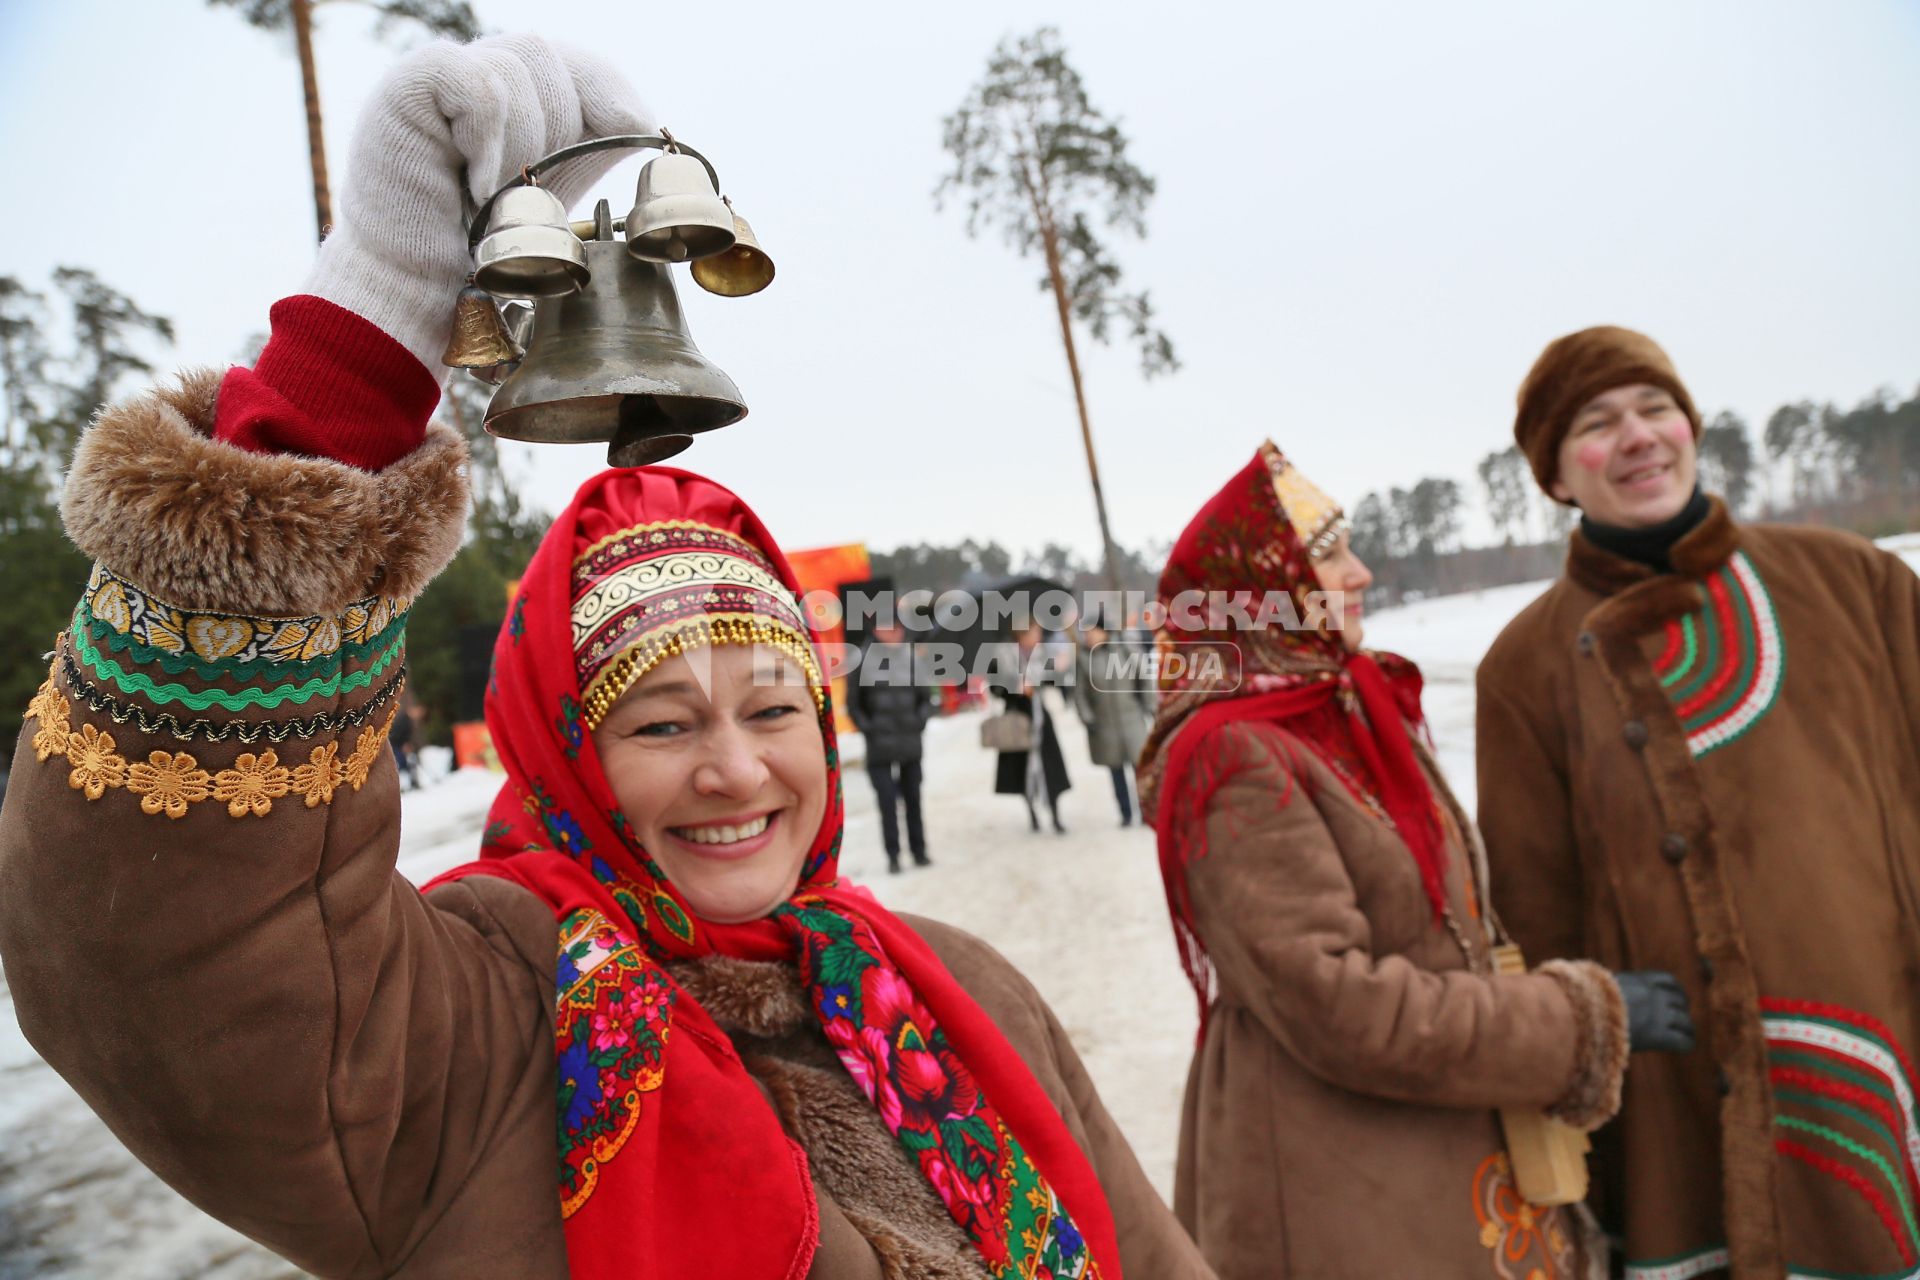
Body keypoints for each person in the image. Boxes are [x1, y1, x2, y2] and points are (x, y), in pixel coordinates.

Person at [0, 36, 1216, 1280]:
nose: (738, 771)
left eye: (773, 708)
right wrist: (369, 325)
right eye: (662, 723)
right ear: (563, 750)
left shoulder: (962, 989)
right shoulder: (477, 1038)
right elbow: (165, 953)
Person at [1138, 441, 1694, 1280]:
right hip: (1347, 1182)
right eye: (1327, 557)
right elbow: (1342, 1010)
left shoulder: (1343, 710)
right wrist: (1577, 1019)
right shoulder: (1238, 758)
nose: (1360, 573)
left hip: (1441, 1140)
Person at [1477, 326, 1920, 1280]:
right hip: (1678, 1101)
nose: (1638, 437)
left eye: (1655, 409)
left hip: (1884, 1053)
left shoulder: (1858, 584)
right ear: (1556, 476)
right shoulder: (1523, 668)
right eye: (1597, 424)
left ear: (1691, 427)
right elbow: (1535, 904)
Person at [844, 621, 935, 873]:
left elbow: (925, 698)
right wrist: (869, 729)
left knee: (913, 799)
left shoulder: (912, 659)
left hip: (910, 742)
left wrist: (919, 721)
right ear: (875, 630)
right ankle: (893, 855)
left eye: (898, 627)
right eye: (889, 627)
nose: (895, 632)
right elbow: (853, 704)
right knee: (886, 803)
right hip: (879, 746)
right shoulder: (862, 661)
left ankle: (919, 851)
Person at [1070, 620, 1154, 826]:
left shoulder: (1125, 650)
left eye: (1092, 631)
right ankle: (1125, 813)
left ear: (1104, 632)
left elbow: (1143, 679)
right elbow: (1079, 693)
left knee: (1140, 770)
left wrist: (1149, 706)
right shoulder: (1083, 659)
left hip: (1131, 719)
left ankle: (1146, 811)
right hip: (1104, 723)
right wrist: (1087, 717)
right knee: (1116, 771)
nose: (1088, 636)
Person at [990, 623, 1071, 834]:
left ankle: (1055, 814)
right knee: (1021, 769)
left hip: (1039, 717)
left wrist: (1060, 669)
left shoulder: (1042, 654)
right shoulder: (1003, 656)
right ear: (1021, 634)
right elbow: (995, 688)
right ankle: (1032, 812)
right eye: (1034, 632)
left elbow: (1056, 682)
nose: (1039, 635)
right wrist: (1016, 686)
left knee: (1049, 767)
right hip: (1017, 717)